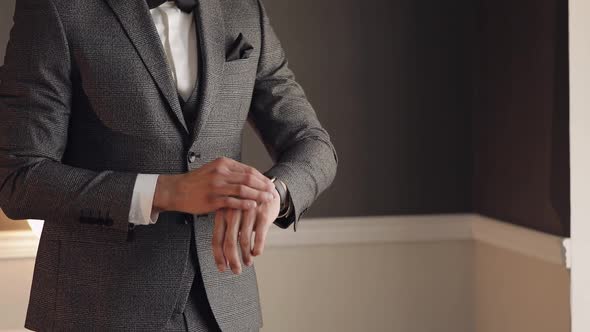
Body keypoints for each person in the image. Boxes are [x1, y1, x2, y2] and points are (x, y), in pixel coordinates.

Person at [0, 0, 338, 330]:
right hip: (98, 309)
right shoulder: (56, 8)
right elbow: (21, 179)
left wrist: (273, 193)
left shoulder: (245, 9)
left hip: (225, 312)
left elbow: (314, 145)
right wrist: (166, 191)